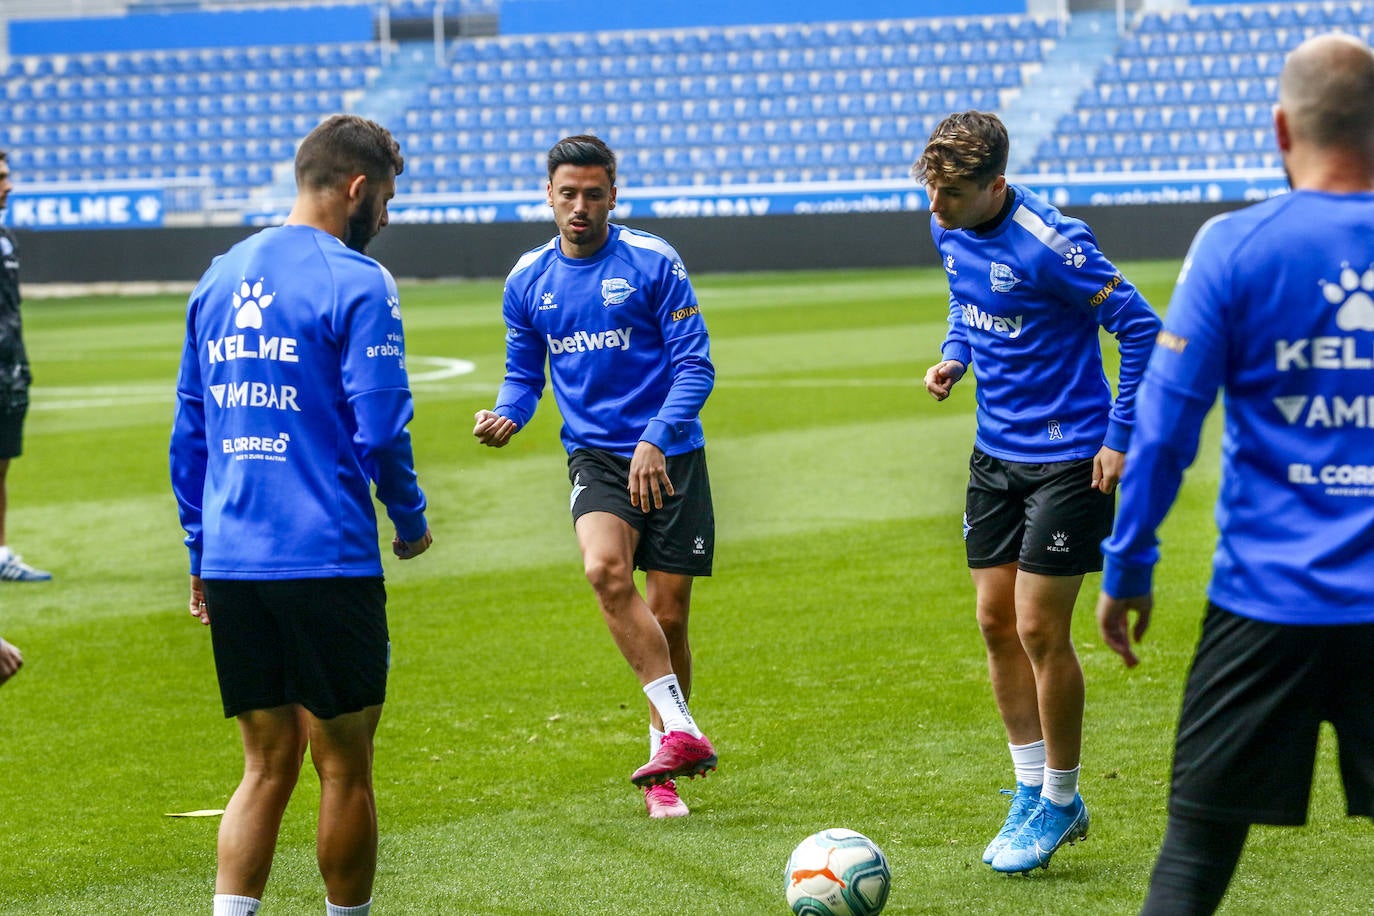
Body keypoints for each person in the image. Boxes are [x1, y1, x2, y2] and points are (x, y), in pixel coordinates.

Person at [1097, 33, 1374, 914]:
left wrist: (1129, 564)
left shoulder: (1234, 244)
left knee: (1196, 852)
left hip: (1265, 602)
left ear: (1281, 128)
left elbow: (1167, 423)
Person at [170, 114, 432, 916]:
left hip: (235, 559)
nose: (385, 216)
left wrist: (199, 549)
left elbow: (192, 432)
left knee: (263, 764)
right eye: (384, 198)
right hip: (326, 556)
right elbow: (382, 424)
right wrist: (410, 516)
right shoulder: (356, 279)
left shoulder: (218, 276)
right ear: (357, 187)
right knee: (344, 767)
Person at [914, 111, 1161, 873]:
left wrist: (1121, 436)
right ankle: (1030, 789)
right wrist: (956, 356)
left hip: (1070, 460)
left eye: (951, 193)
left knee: (1038, 630)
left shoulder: (1056, 245)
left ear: (996, 184)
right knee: (994, 623)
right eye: (929, 190)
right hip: (996, 456)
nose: (935, 208)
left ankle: (1059, 798)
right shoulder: (948, 225)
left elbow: (1143, 328)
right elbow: (965, 299)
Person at [474, 135, 717, 819]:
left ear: (614, 194)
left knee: (667, 617)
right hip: (596, 458)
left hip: (670, 455)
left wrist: (655, 439)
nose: (580, 206)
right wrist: (509, 414)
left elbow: (696, 366)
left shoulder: (651, 262)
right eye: (568, 193)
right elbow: (525, 375)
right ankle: (684, 732)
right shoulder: (528, 280)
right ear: (549, 196)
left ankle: (665, 767)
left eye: (593, 193)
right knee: (605, 572)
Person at [0, 150, 52, 583]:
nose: (9, 185)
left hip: (9, 374)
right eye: (1, 177)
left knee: (1, 464)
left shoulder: (6, 239)